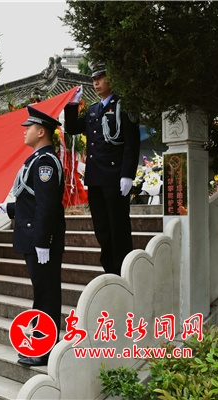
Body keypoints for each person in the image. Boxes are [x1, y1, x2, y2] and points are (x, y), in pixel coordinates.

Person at [0, 106, 65, 367]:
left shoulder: (45, 162)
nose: (25, 132)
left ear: (41, 132)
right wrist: (10, 208)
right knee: (42, 292)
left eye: (29, 128)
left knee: (46, 294)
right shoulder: (37, 159)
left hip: (41, 240)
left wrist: (43, 241)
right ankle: (41, 344)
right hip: (34, 236)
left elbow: (47, 205)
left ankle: (46, 349)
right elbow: (33, 202)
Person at [63, 64, 140, 276]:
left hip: (115, 177)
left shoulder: (124, 106)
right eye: (94, 79)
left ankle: (123, 271)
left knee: (118, 226)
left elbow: (131, 143)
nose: (96, 83)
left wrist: (127, 174)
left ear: (111, 79)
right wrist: (72, 104)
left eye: (100, 78)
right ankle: (109, 269)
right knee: (102, 228)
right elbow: (72, 128)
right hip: (96, 177)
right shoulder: (93, 110)